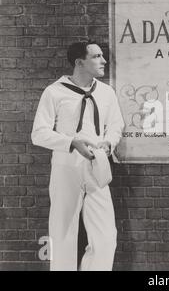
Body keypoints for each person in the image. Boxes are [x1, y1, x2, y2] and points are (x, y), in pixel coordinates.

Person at [31, 41, 125, 271]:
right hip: (66, 168)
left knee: (105, 238)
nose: (104, 61)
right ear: (79, 62)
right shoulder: (54, 92)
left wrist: (108, 143)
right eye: (97, 57)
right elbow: (38, 133)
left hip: (97, 168)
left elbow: (116, 125)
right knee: (62, 233)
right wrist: (71, 143)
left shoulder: (106, 92)